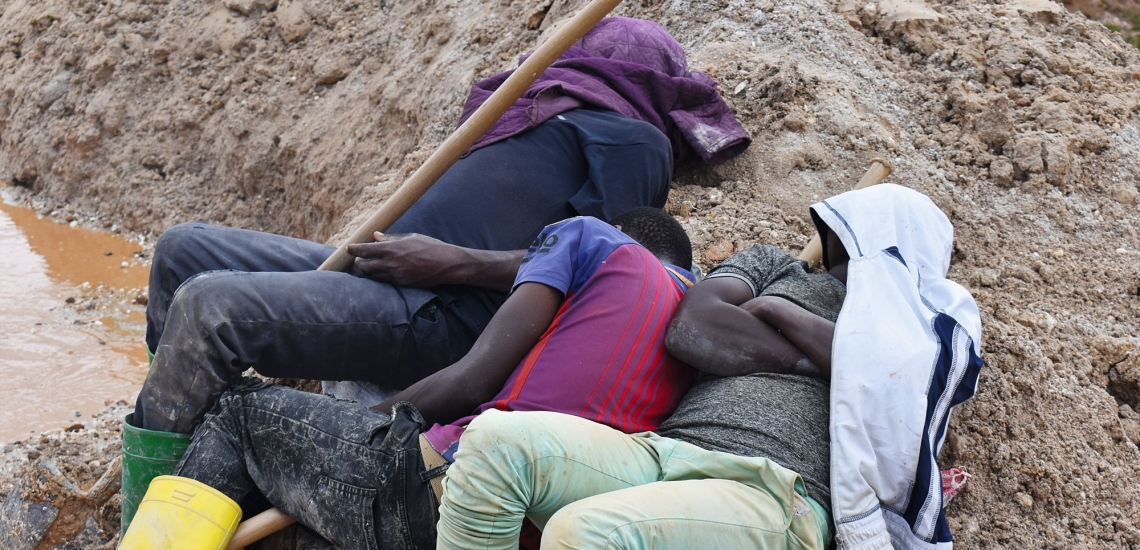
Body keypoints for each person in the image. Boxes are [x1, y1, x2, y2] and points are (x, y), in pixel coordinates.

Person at [133, 16, 749, 435]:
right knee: (182, 250)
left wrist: (448, 261)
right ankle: (184, 423)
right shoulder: (520, 110)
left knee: (210, 306)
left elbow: (609, 279)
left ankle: (161, 489)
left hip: (439, 313)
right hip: (384, 277)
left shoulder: (635, 139)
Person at [434, 184, 981, 550]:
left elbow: (891, 382)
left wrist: (778, 313)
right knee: (493, 445)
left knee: (585, 535)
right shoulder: (771, 263)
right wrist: (821, 360)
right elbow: (692, 328)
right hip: (666, 450)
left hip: (775, 491)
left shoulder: (920, 332)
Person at [147, 209, 697, 549]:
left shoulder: (590, 238)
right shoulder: (689, 316)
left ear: (621, 232)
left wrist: (346, 428)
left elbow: (470, 383)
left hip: (444, 490)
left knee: (239, 415)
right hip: (514, 532)